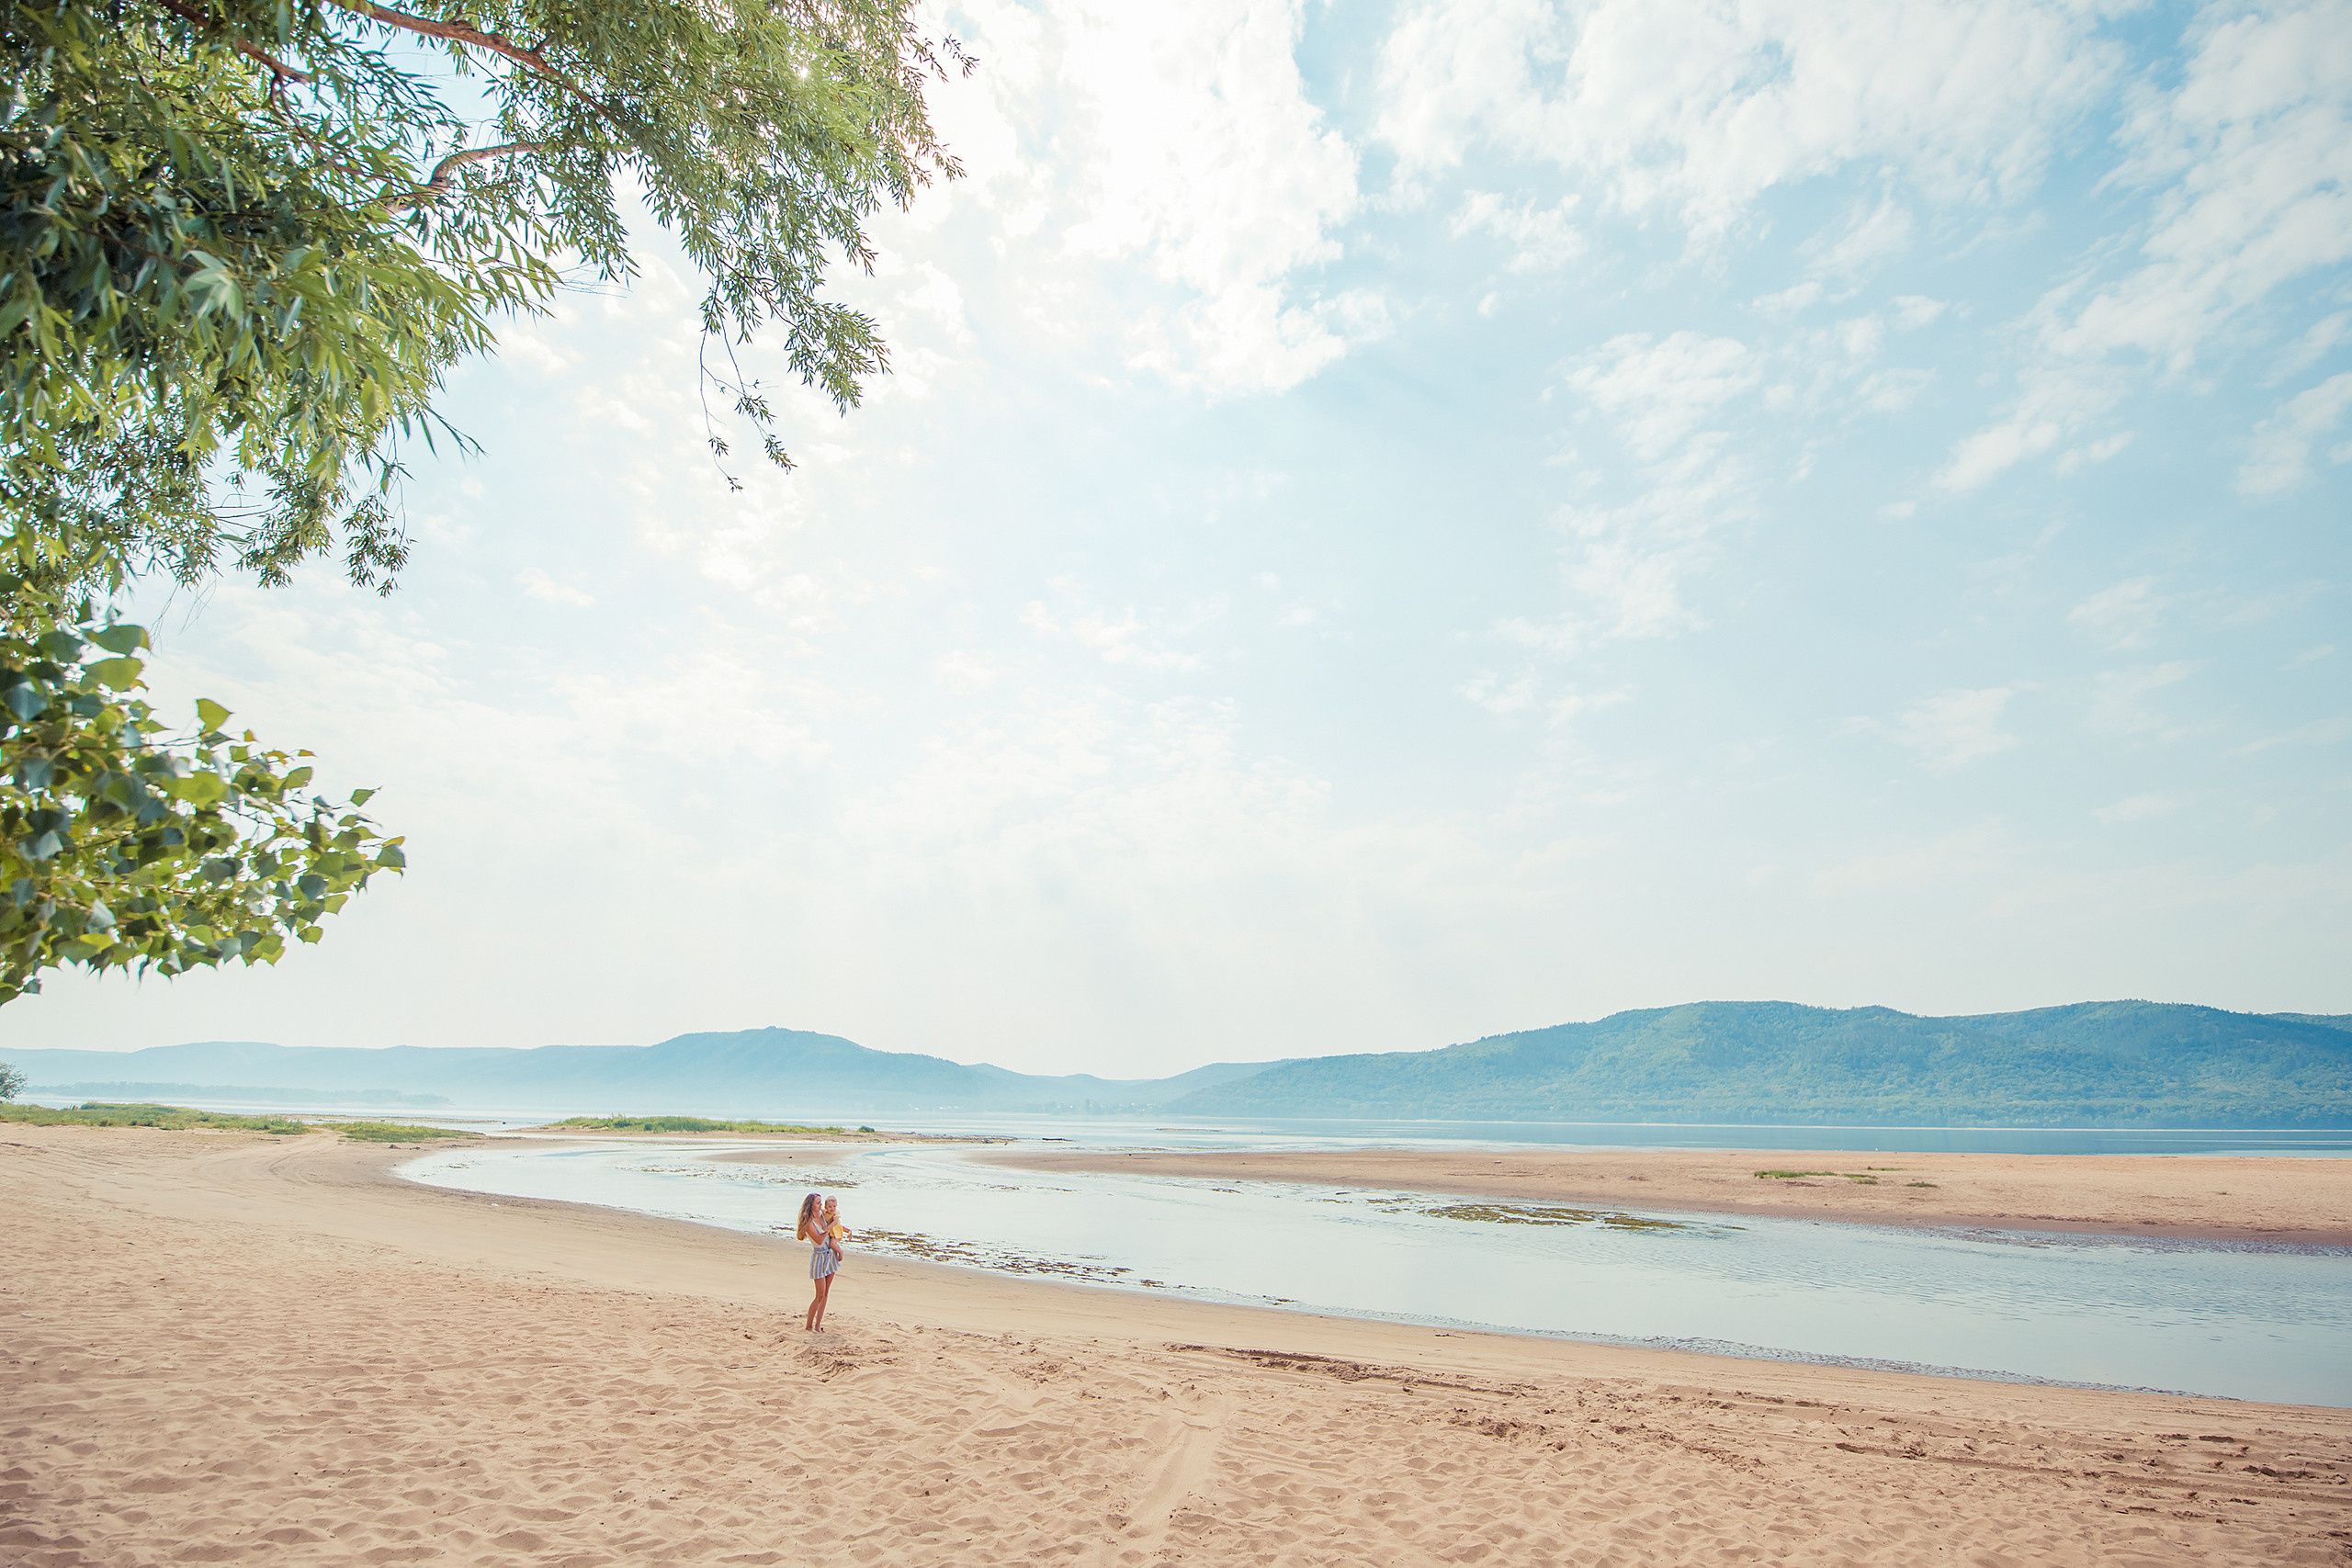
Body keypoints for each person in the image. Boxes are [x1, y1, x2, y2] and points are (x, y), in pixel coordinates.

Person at [797, 1190, 844, 1331]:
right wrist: (828, 1227)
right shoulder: (809, 1223)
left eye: (820, 1202)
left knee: (826, 1293)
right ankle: (809, 1325)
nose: (821, 1205)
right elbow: (818, 1239)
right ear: (811, 1206)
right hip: (819, 1258)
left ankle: (818, 1325)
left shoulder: (824, 1215)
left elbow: (836, 1224)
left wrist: (845, 1230)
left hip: (831, 1256)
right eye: (818, 1203)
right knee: (819, 1294)